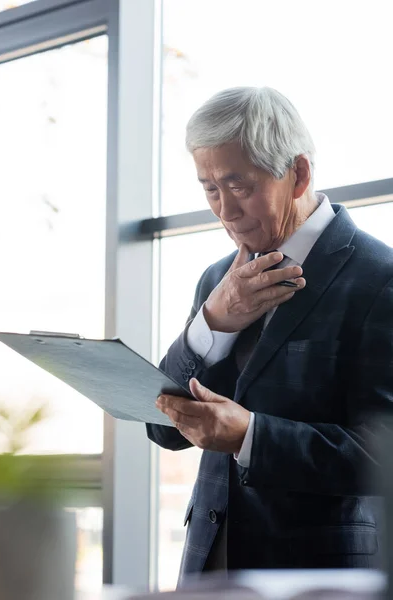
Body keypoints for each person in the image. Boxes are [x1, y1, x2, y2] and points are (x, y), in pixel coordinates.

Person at [146, 87, 393, 581]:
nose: (225, 211)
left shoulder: (380, 278)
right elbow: (162, 429)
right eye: (210, 189)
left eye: (239, 186)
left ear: (298, 174)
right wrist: (211, 322)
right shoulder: (216, 280)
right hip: (207, 567)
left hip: (319, 576)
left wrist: (251, 436)